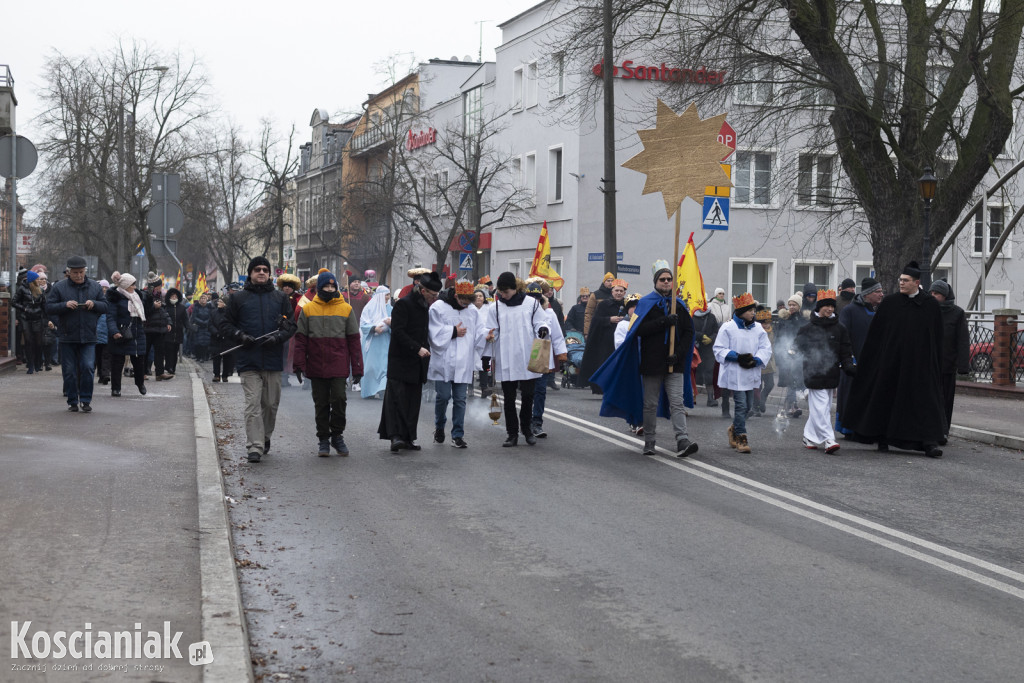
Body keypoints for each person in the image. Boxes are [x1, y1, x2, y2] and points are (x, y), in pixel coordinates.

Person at [591, 261, 697, 456]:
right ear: (656, 282)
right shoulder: (646, 303)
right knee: (650, 403)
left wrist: (679, 354)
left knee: (677, 402)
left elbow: (689, 333)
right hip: (652, 362)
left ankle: (682, 440)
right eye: (662, 279)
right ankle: (650, 440)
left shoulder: (678, 305)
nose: (666, 282)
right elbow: (638, 329)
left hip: (675, 363)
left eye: (669, 279)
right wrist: (664, 321)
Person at [844, 261, 946, 458]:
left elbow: (937, 338)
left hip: (920, 366)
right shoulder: (890, 304)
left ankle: (928, 441)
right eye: (900, 280)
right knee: (887, 399)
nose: (901, 283)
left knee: (924, 402)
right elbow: (876, 336)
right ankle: (883, 437)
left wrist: (935, 363)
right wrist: (870, 362)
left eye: (906, 281)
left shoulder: (930, 305)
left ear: (917, 282)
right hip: (892, 363)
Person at [218, 256, 298, 463]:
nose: (261, 272)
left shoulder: (280, 298)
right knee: (252, 404)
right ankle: (254, 446)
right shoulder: (238, 299)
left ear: (270, 274)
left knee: (270, 404)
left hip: (273, 359)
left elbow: (290, 326)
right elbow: (225, 325)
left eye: (265, 269)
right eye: (257, 270)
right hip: (248, 360)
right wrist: (240, 336)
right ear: (251, 273)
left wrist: (278, 338)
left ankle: (264, 437)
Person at [293, 270, 364, 457]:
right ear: (319, 287)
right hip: (316, 365)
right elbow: (300, 340)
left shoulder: (346, 309)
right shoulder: (308, 309)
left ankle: (337, 435)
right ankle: (323, 439)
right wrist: (298, 364)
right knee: (321, 403)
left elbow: (354, 341)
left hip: (339, 364)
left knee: (340, 400)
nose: (330, 289)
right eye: (326, 285)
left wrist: (357, 368)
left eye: (333, 286)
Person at [483, 272, 551, 447]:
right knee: (509, 397)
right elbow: (491, 330)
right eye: (501, 292)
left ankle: (526, 430)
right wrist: (489, 335)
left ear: (514, 288)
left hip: (527, 356)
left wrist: (543, 329)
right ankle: (512, 433)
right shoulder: (495, 308)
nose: (502, 295)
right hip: (506, 358)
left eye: (506, 292)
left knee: (528, 395)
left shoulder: (531, 304)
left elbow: (540, 322)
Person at [378, 271, 442, 452]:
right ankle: (395, 437)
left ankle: (408, 437)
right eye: (433, 295)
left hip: (417, 363)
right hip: (400, 360)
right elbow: (398, 331)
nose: (435, 298)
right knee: (397, 400)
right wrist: (416, 348)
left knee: (413, 402)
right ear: (423, 291)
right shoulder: (403, 305)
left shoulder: (426, 306)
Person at [793, 289, 856, 454]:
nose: (830, 309)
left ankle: (809, 436)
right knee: (820, 408)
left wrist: (848, 365)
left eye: (832, 306)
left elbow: (845, 350)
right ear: (819, 307)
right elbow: (797, 347)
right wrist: (792, 352)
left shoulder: (840, 329)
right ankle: (829, 439)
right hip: (813, 373)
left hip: (832, 373)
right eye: (826, 306)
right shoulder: (807, 329)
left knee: (823, 408)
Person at [46, 255, 108, 412]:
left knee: (87, 367)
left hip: (88, 336)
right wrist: (64, 305)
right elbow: (49, 308)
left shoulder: (94, 286)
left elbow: (105, 306)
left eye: (81, 272)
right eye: (75, 273)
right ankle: (72, 400)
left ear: (85, 271)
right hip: (67, 336)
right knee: (69, 371)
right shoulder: (59, 287)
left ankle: (86, 400)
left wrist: (94, 304)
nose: (79, 275)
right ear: (68, 272)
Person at [429, 281, 487, 448]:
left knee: (460, 400)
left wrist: (486, 335)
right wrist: (453, 331)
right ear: (456, 295)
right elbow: (433, 332)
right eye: (463, 302)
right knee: (443, 397)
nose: (466, 306)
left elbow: (479, 330)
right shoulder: (438, 307)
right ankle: (439, 427)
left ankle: (458, 434)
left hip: (463, 361)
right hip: (444, 361)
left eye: (469, 303)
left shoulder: (472, 311)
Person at [713, 292, 772, 454]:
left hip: (751, 372)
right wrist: (738, 357)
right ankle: (741, 437)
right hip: (736, 373)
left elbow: (765, 348)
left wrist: (756, 360)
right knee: (740, 405)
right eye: (750, 310)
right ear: (741, 312)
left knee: (748, 408)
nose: (753, 313)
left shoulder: (758, 328)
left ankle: (734, 428)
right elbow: (719, 349)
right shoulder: (728, 327)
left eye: (753, 310)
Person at [835, 277, 883, 436]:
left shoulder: (880, 311)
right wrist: (848, 359)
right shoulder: (850, 310)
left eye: (881, 291)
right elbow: (842, 335)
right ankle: (849, 428)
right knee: (850, 395)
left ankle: (867, 428)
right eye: (878, 291)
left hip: (874, 363)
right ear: (868, 294)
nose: (881, 294)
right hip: (854, 362)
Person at [928, 279, 970, 443]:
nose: (933, 296)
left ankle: (943, 431)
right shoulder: (928, 311)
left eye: (936, 294)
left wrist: (962, 365)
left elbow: (962, 340)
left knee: (946, 399)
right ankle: (930, 429)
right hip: (929, 363)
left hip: (947, 364)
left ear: (944, 296)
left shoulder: (957, 313)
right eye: (931, 293)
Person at [527, 282, 568, 439]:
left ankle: (537, 422)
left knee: (540, 390)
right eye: (531, 297)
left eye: (537, 298)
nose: (534, 301)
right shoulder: (521, 312)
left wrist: (561, 353)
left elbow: (556, 335)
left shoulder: (549, 313)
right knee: (527, 391)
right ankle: (525, 422)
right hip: (525, 352)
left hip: (542, 351)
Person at [579, 279, 628, 393]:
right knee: (605, 364)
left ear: (624, 293)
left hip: (622, 340)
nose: (619, 293)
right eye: (616, 290)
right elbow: (596, 320)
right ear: (612, 292)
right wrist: (609, 319)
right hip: (606, 340)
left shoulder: (627, 304)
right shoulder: (604, 304)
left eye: (621, 291)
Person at [106, 273, 150, 397]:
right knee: (117, 362)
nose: (135, 287)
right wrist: (114, 331)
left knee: (139, 361)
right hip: (121, 333)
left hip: (138, 333)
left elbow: (148, 307)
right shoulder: (115, 299)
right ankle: (116, 388)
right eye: (132, 285)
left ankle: (140, 383)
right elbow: (110, 317)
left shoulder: (137, 297)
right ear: (125, 286)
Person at [775, 293, 808, 418]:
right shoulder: (783, 319)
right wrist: (779, 354)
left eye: (794, 304)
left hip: (799, 354)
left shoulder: (803, 320)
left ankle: (790, 406)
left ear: (799, 306)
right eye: (790, 304)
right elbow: (778, 337)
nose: (791, 307)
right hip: (786, 354)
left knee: (795, 379)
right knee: (790, 380)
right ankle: (791, 406)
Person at [359, 285, 393, 399]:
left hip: (385, 341)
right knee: (371, 367)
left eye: (389, 294)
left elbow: (398, 324)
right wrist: (373, 328)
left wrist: (390, 325)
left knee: (384, 366)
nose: (388, 297)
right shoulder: (369, 308)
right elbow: (363, 324)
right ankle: (369, 390)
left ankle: (383, 389)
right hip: (372, 342)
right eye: (386, 295)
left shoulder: (390, 309)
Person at [12, 270, 47, 374]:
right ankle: (30, 365)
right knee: (28, 341)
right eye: (37, 279)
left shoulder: (41, 290)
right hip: (26, 318)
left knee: (38, 342)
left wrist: (46, 318)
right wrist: (24, 309)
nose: (39, 281)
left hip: (37, 318)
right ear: (32, 280)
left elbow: (44, 305)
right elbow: (14, 302)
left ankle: (38, 363)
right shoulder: (22, 289)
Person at [142, 272, 172, 380]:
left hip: (159, 329)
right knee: (144, 352)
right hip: (148, 328)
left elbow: (163, 311)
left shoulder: (159, 296)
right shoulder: (145, 295)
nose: (161, 288)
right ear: (154, 287)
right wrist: (154, 307)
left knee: (160, 352)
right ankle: (143, 373)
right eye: (159, 286)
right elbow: (144, 312)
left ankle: (159, 373)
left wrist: (168, 322)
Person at [277, 273, 303, 389]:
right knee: (281, 352)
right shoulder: (277, 297)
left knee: (290, 354)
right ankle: (282, 376)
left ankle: (289, 374)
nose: (287, 288)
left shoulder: (299, 298)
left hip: (293, 330)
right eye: (285, 286)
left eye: (289, 286)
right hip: (279, 329)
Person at [691, 303, 719, 406]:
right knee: (694, 374)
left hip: (709, 349)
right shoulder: (692, 316)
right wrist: (701, 336)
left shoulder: (711, 317)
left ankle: (710, 398)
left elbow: (716, 331)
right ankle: (692, 397)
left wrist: (711, 338)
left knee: (709, 373)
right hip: (696, 349)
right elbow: (690, 331)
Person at [752, 307, 776, 416]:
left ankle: (762, 399)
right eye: (763, 323)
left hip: (770, 363)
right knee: (757, 386)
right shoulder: (756, 332)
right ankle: (755, 407)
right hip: (759, 361)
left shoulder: (772, 332)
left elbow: (774, 346)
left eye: (768, 323)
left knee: (770, 384)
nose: (766, 325)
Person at [163, 287, 189, 376]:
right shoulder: (166, 307)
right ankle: (168, 366)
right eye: (172, 296)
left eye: (175, 296)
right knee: (168, 351)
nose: (174, 298)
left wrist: (189, 328)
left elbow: (185, 320)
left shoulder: (182, 308)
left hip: (178, 333)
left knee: (175, 351)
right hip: (168, 333)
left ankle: (172, 367)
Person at [210, 294, 236, 383]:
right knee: (216, 357)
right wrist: (215, 332)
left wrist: (226, 332)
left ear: (225, 303)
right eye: (219, 301)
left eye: (221, 301)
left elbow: (232, 325)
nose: (218, 302)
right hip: (216, 338)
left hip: (227, 338)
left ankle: (225, 375)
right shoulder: (213, 312)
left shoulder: (230, 314)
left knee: (227, 357)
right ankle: (216, 375)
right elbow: (210, 324)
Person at [190, 293, 215, 362]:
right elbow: (194, 317)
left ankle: (204, 357)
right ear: (199, 300)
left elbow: (211, 316)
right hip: (199, 327)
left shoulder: (210, 307)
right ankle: (198, 356)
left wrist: (206, 322)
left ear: (207, 299)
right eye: (202, 298)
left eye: (204, 298)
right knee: (198, 343)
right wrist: (201, 322)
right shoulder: (196, 307)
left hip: (207, 327)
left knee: (206, 343)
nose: (203, 300)